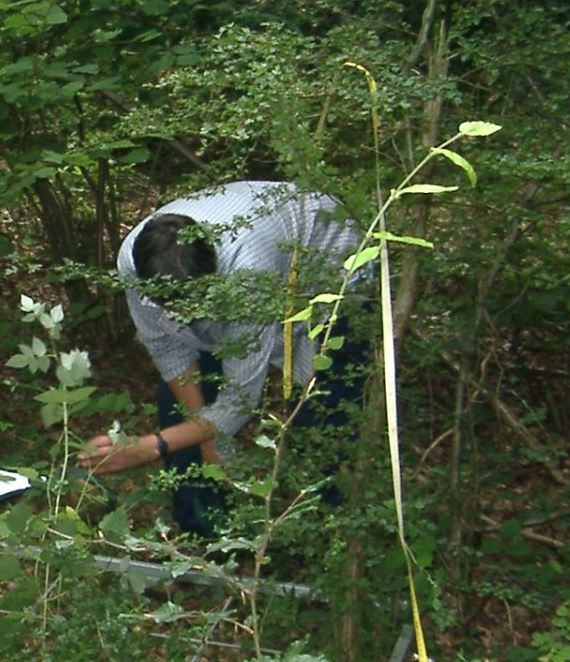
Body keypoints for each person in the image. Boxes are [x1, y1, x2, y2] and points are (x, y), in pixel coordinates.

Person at [78, 180, 367, 536]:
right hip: (250, 274)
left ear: (215, 273)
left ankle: (325, 535)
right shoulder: (133, 260)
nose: (186, 318)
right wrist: (206, 433)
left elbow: (239, 398)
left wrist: (150, 446)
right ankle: (203, 537)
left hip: (325, 258)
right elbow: (167, 348)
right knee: (179, 407)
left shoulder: (249, 271)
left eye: (196, 307)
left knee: (323, 404)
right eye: (174, 308)